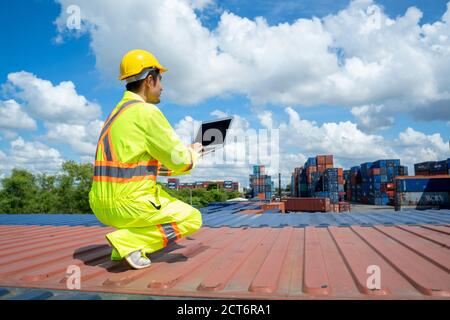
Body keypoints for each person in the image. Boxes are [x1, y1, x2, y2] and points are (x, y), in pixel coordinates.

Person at [89, 49, 203, 269]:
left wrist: (186, 155)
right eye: (160, 80)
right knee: (192, 218)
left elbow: (146, 166)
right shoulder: (146, 113)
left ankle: (125, 246)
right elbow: (180, 161)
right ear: (150, 79)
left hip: (101, 204)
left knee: (164, 209)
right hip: (130, 203)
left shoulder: (116, 113)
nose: (162, 87)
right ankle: (128, 242)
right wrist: (194, 154)